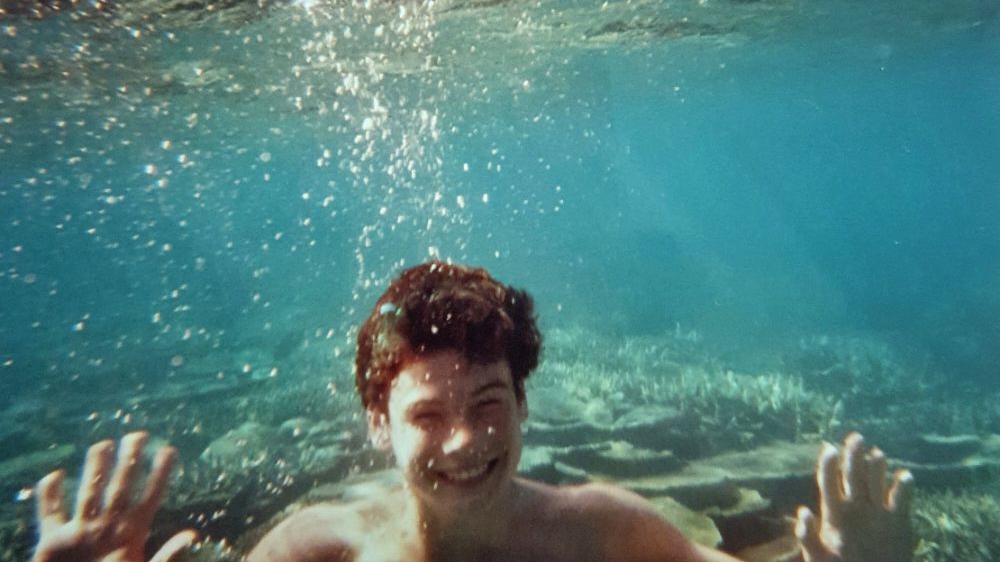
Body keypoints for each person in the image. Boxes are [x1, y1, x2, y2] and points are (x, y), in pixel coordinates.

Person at [31, 261, 915, 562]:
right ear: (378, 423)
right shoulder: (319, 548)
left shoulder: (604, 535)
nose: (463, 440)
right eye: (426, 414)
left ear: (525, 402)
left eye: (488, 401)